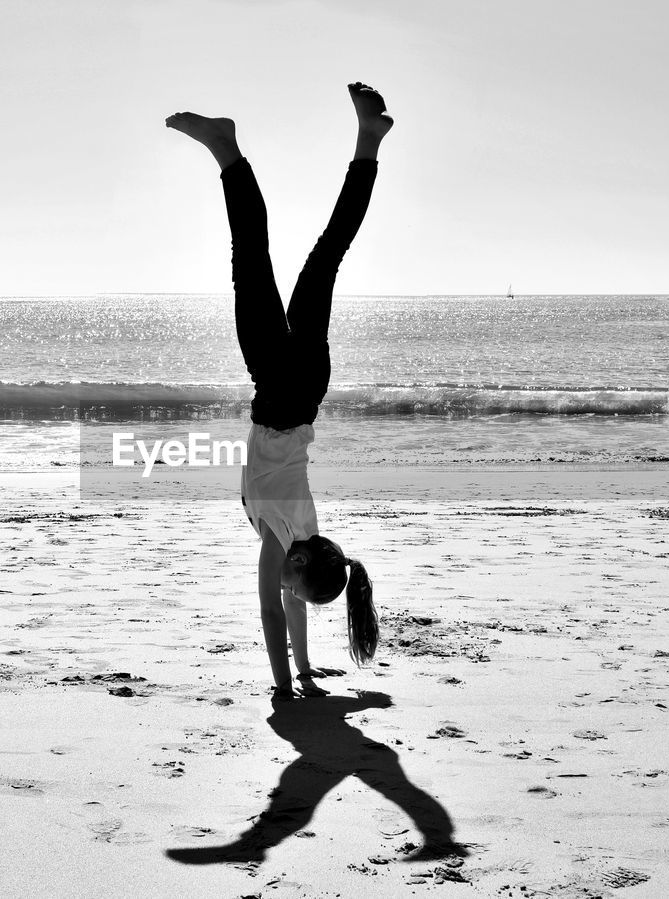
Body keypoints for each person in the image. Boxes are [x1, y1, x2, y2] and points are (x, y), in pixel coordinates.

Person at [166, 82, 393, 700]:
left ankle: (367, 142)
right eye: (294, 584)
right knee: (252, 260)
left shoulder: (311, 535)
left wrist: (305, 671)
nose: (288, 591)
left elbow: (293, 604)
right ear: (297, 567)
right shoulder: (276, 536)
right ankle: (225, 150)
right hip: (276, 387)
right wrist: (281, 689)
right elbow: (273, 610)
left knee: (326, 256)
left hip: (309, 386)